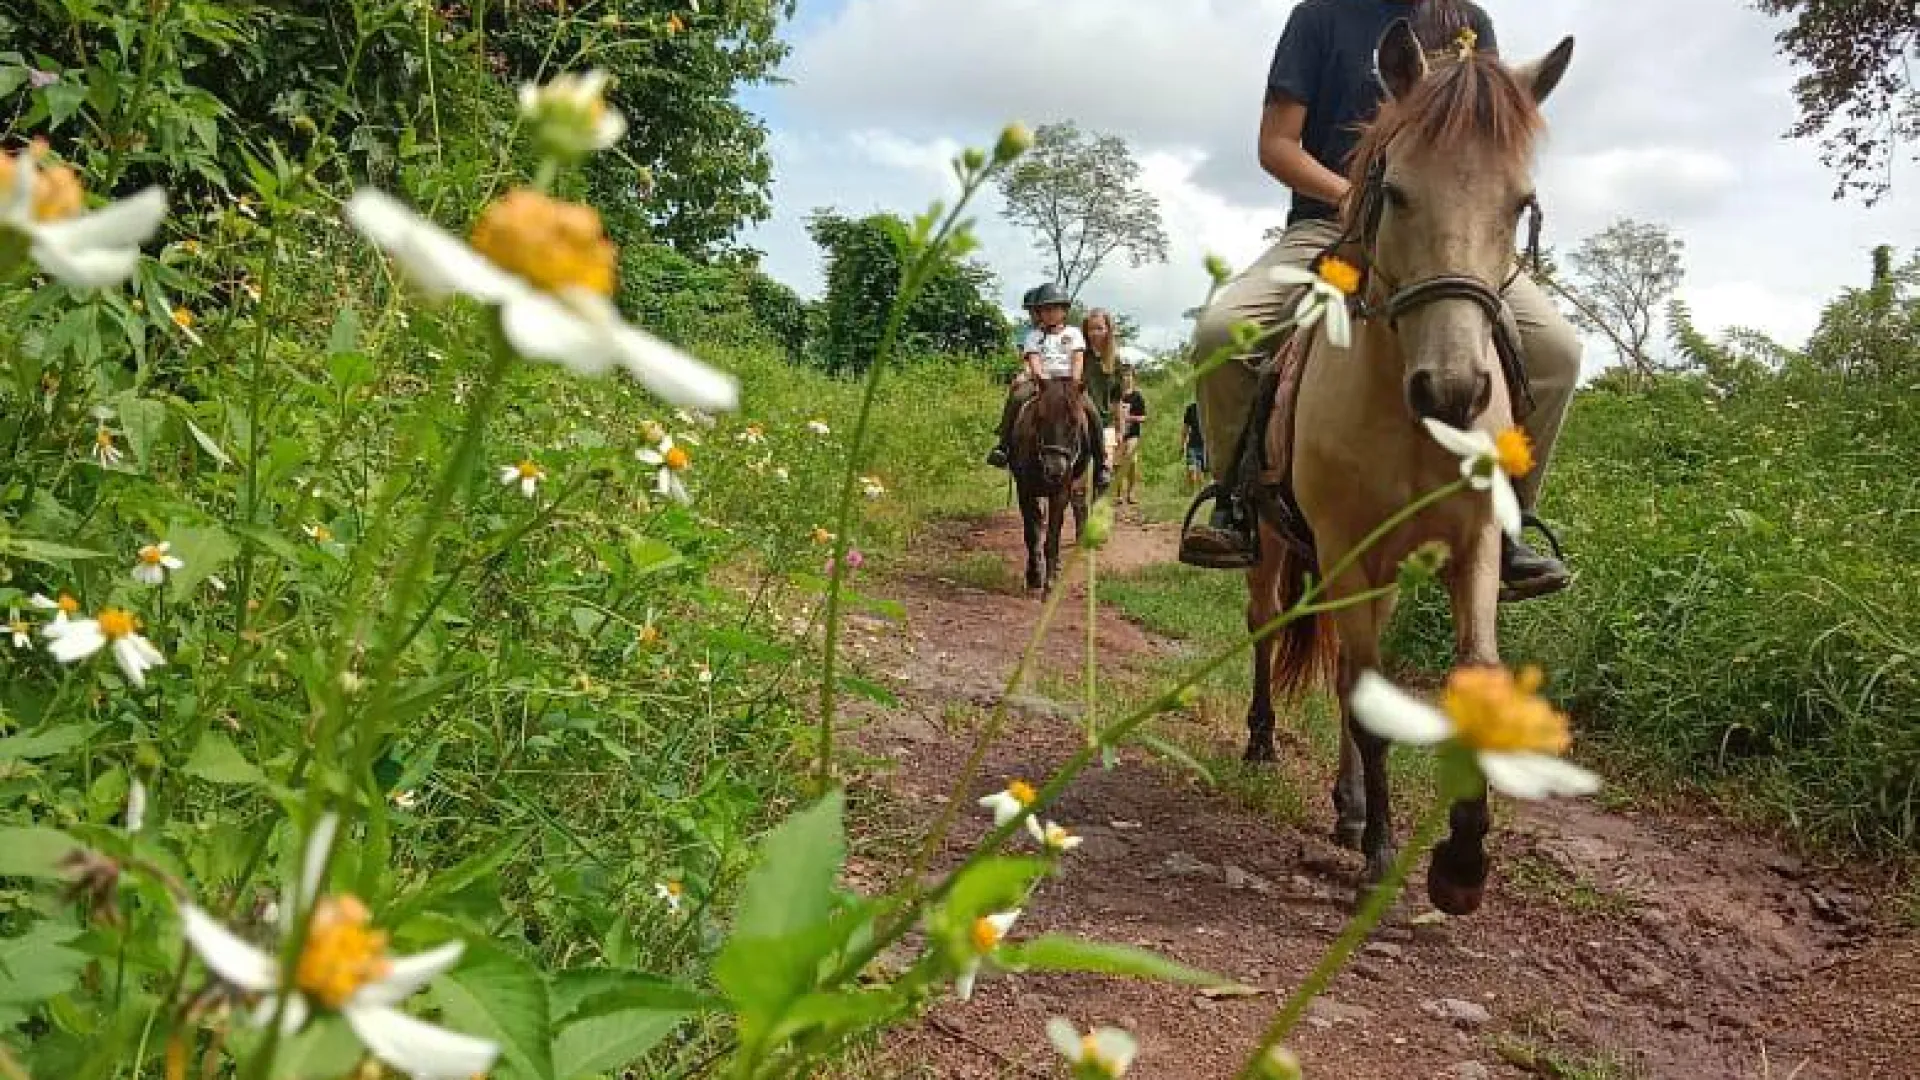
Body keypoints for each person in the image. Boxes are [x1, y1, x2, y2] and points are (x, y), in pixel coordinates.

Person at [1178, 0, 1579, 603]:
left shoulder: (1472, 21)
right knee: (1222, 331)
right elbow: (1277, 145)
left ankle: (1512, 522)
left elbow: (1484, 143)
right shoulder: (1319, 17)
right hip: (1330, 223)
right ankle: (1235, 503)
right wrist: (1360, 199)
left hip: (1444, 236)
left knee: (1557, 351)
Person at [987, 283, 1111, 489]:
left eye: (1055, 308)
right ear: (1039, 313)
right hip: (1042, 383)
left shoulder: (1073, 333)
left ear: (1064, 311)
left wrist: (1074, 381)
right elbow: (1034, 359)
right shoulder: (1033, 336)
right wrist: (1041, 379)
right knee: (1018, 396)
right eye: (1045, 309)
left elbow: (1078, 358)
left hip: (1068, 382)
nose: (1050, 313)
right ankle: (1003, 445)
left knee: (1092, 411)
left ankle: (1101, 463)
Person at [1113, 367, 1148, 504]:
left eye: (1129, 376)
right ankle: (1118, 494)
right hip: (1117, 433)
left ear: (1133, 378)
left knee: (1132, 460)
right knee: (1117, 464)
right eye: (1123, 376)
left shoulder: (1137, 396)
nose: (1126, 378)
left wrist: (1129, 418)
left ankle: (1131, 492)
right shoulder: (1116, 395)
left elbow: (1143, 417)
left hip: (1133, 433)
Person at [1180, 399, 1207, 492]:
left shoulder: (1209, 408)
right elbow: (1185, 428)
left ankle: (1200, 493)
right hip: (1192, 445)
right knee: (1191, 471)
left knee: (1201, 474)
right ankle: (1190, 493)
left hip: (1205, 445)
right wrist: (1182, 444)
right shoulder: (1191, 409)